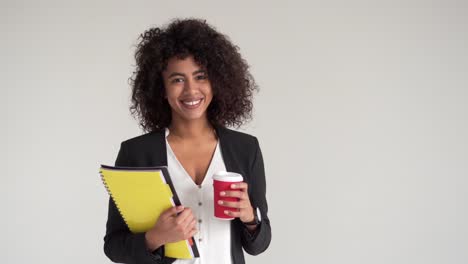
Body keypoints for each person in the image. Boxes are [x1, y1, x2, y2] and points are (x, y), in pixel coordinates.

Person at [103, 18, 271, 264]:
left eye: (200, 76)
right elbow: (114, 246)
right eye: (177, 79)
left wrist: (249, 217)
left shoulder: (245, 148)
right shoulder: (136, 153)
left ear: (216, 81)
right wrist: (155, 237)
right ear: (161, 88)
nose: (191, 90)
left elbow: (259, 245)